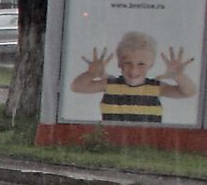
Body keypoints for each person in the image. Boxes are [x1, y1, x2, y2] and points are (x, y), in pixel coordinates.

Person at [68, 30, 196, 124]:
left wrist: (178, 76)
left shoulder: (155, 87)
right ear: (119, 63)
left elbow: (188, 92)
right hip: (113, 138)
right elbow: (77, 87)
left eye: (141, 64)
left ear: (151, 64)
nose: (134, 69)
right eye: (128, 63)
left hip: (147, 141)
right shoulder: (110, 84)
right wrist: (91, 74)